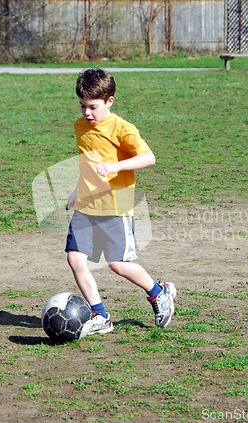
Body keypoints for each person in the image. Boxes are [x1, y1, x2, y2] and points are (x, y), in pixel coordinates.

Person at [65, 68, 176, 336]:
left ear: (109, 101)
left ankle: (158, 292)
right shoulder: (81, 127)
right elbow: (89, 164)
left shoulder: (122, 128)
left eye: (93, 107)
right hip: (87, 205)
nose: (87, 113)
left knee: (118, 264)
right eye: (82, 106)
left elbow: (149, 158)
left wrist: (116, 165)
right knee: (75, 259)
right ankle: (100, 315)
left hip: (116, 206)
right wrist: (76, 190)